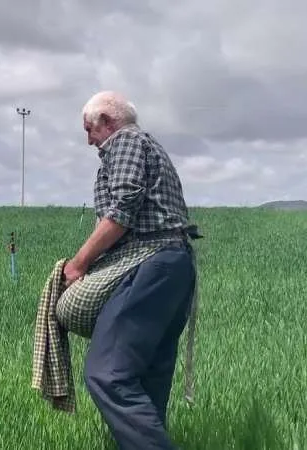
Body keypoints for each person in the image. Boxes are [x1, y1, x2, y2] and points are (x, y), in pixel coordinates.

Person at [64, 91, 200, 449]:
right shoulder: (149, 146)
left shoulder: (125, 141)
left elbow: (121, 210)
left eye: (89, 129)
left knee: (107, 374)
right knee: (147, 375)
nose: (89, 140)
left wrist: (78, 265)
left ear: (108, 121)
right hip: (175, 265)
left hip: (149, 262)